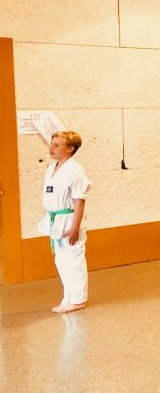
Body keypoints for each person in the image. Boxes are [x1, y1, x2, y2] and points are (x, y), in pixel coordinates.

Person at [39, 131, 90, 314]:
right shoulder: (51, 168)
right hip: (56, 220)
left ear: (70, 149)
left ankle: (78, 299)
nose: (51, 148)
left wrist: (75, 227)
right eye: (51, 144)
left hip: (70, 220)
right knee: (61, 261)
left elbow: (79, 200)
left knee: (74, 260)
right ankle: (68, 297)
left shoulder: (75, 169)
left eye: (57, 145)